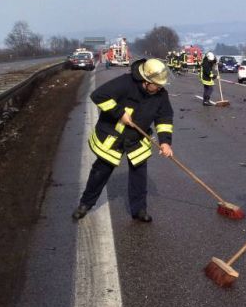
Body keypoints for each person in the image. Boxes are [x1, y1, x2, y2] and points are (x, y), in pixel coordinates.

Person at [72, 58, 174, 223]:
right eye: (157, 84)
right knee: (100, 172)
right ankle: (85, 204)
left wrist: (165, 142)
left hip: (137, 139)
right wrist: (119, 112)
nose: (160, 88)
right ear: (146, 81)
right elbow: (98, 95)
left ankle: (139, 209)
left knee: (139, 176)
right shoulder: (125, 83)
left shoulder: (161, 94)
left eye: (161, 85)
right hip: (113, 137)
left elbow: (164, 117)